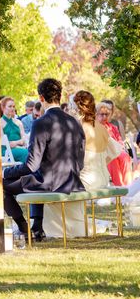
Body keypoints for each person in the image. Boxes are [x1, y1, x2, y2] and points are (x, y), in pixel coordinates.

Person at [3, 78, 86, 241]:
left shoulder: (40, 122)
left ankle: (24, 228)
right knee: (32, 177)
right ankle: (37, 227)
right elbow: (80, 162)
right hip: (73, 181)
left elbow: (31, 165)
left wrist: (6, 171)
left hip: (50, 183)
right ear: (60, 96)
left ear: (41, 98)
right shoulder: (74, 122)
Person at [44, 91, 117, 238]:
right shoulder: (101, 127)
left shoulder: (77, 127)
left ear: (77, 108)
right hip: (102, 179)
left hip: (85, 181)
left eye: (71, 105)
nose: (69, 109)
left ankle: (61, 231)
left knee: (51, 197)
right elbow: (114, 152)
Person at [96, 101, 132, 186]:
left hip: (116, 151)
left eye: (106, 114)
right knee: (113, 159)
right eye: (101, 114)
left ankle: (128, 186)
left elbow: (120, 141)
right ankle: (119, 187)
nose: (104, 116)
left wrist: (120, 148)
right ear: (96, 114)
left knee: (125, 156)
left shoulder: (113, 127)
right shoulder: (95, 127)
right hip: (102, 154)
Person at [0, 97, 28, 164]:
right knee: (25, 153)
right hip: (6, 151)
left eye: (13, 106)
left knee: (34, 153)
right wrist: (18, 143)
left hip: (20, 148)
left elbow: (23, 140)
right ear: (3, 108)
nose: (12, 108)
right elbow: (4, 142)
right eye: (10, 106)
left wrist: (15, 143)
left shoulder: (18, 122)